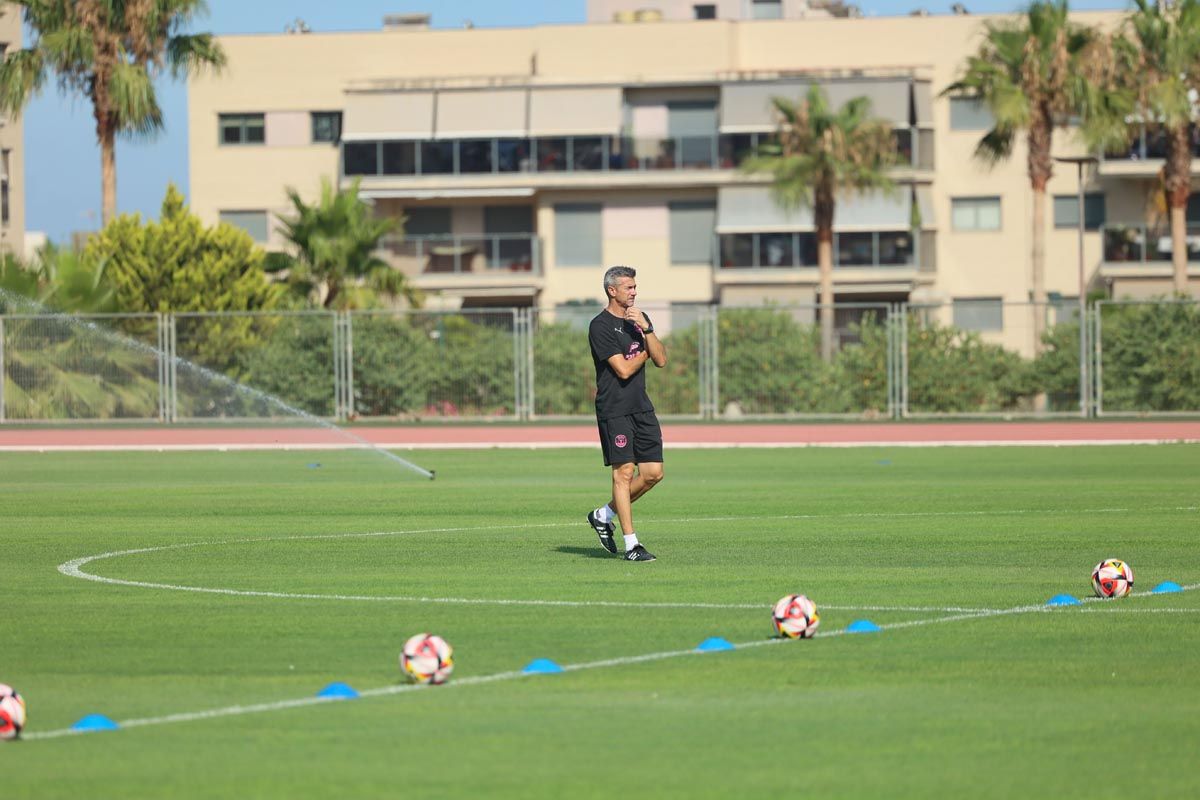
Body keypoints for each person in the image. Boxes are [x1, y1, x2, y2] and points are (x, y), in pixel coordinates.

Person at [585, 266, 668, 562]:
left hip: (641, 407)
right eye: (629, 287)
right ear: (612, 291)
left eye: (635, 287)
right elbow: (622, 369)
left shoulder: (640, 321)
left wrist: (647, 329)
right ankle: (632, 545)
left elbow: (661, 359)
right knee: (624, 473)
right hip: (615, 409)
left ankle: (603, 514)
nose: (634, 292)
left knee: (653, 474)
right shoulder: (600, 326)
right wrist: (645, 351)